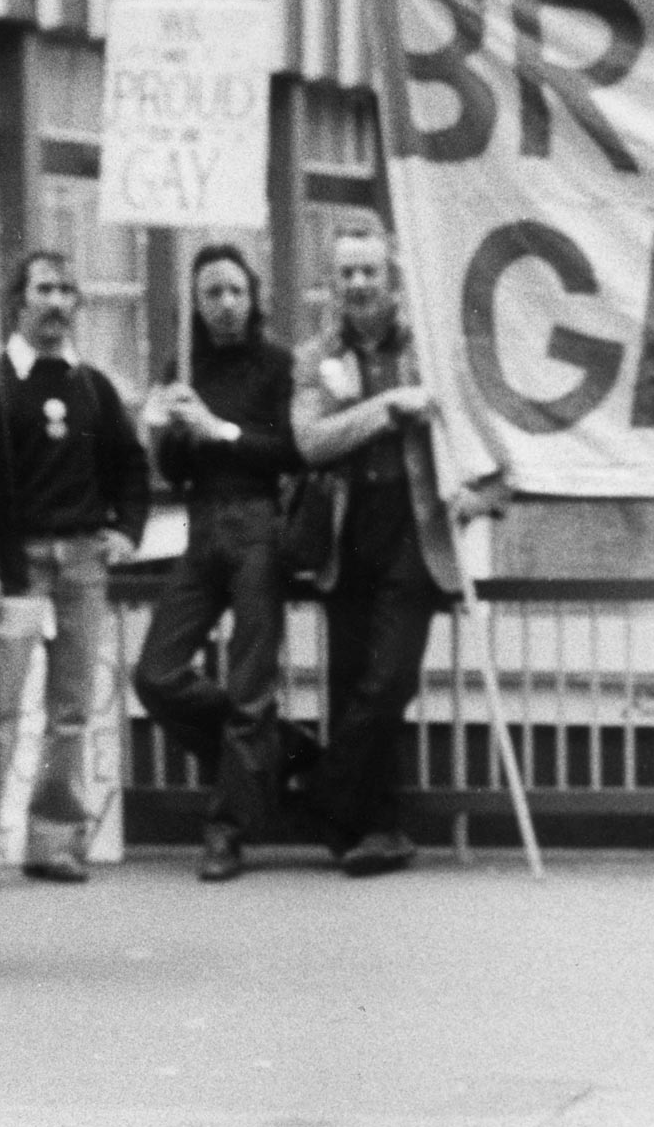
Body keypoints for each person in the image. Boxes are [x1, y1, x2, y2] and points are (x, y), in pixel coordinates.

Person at [290, 220, 506, 878]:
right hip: (347, 533)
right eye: (346, 273)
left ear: (392, 279)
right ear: (333, 282)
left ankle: (324, 793)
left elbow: (489, 436)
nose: (358, 285)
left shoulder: (435, 351)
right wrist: (390, 408)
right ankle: (371, 831)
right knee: (353, 680)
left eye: (369, 272)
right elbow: (312, 442)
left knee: (389, 679)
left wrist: (483, 495)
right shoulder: (313, 358)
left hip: (416, 531)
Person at [0, 250, 151, 884]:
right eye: (45, 288)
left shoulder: (92, 387)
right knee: (1, 708)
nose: (57, 301)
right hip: (15, 565)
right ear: (18, 300)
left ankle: (54, 840)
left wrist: (126, 530)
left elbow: (131, 465)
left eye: (68, 290)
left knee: (72, 710)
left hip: (83, 563)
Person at [131, 245, 302, 883]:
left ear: (253, 296)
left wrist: (219, 429)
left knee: (251, 682)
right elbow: (177, 474)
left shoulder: (279, 365)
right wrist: (162, 434)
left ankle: (225, 832)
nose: (225, 304)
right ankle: (273, 750)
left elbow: (292, 451)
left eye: (235, 290)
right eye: (211, 294)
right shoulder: (186, 364)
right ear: (195, 305)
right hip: (203, 528)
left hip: (259, 525)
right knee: (156, 674)